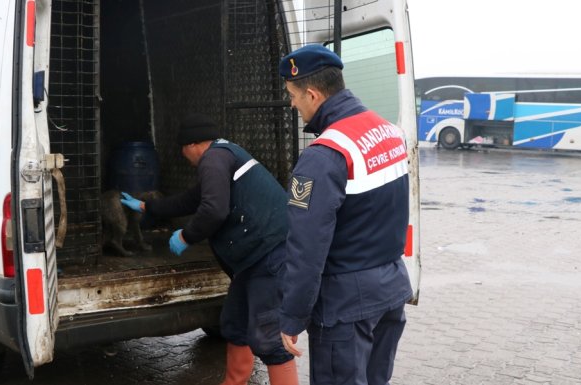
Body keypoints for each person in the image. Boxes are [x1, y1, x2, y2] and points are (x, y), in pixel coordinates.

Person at [120, 114, 298, 385]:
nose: (183, 155)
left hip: (270, 254)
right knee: (235, 324)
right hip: (253, 259)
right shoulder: (223, 155)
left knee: (269, 338)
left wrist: (187, 236)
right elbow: (191, 199)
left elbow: (214, 210)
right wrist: (147, 207)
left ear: (192, 145)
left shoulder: (213, 160)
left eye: (182, 149)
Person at [277, 44, 413, 385]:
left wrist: (292, 317)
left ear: (311, 94)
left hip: (347, 303)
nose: (292, 104)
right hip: (391, 287)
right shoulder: (388, 132)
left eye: (292, 95)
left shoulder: (323, 156)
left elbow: (305, 248)